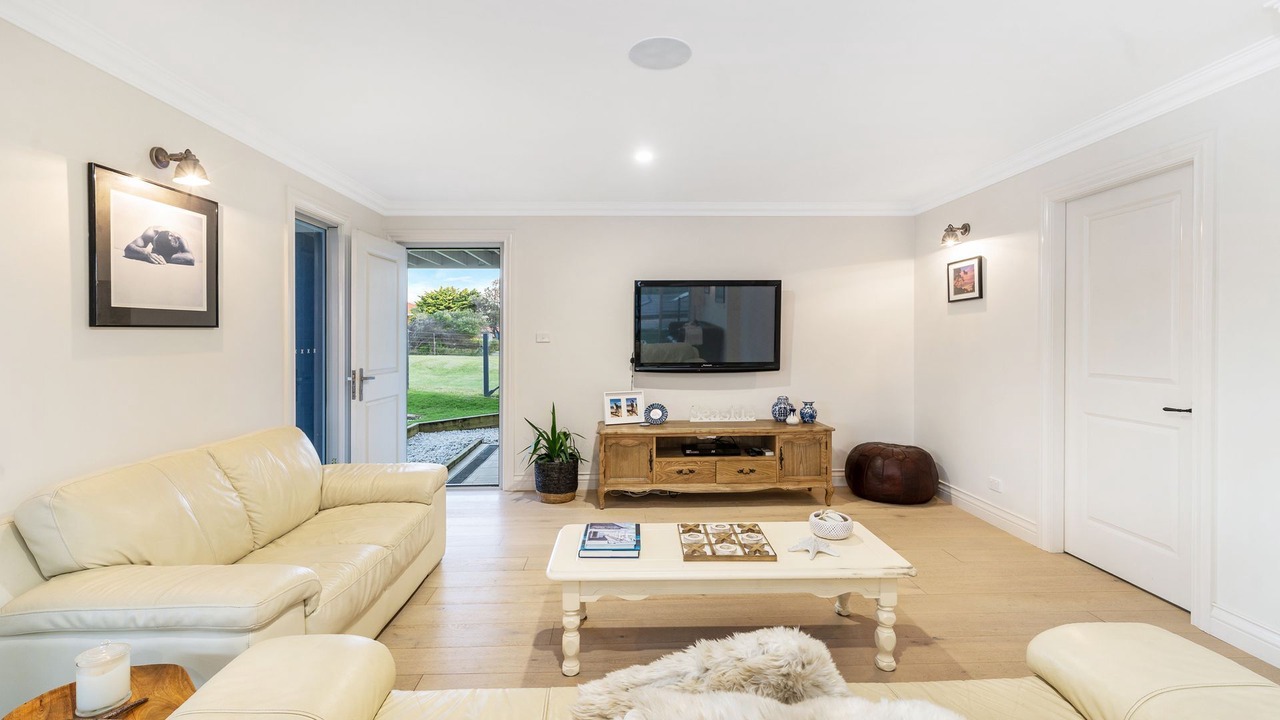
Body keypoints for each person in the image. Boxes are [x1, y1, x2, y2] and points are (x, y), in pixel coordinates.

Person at [123, 226, 196, 265]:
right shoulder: (151, 233)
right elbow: (128, 248)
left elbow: (190, 258)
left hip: (171, 253)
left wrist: (164, 257)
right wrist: (146, 254)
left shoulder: (179, 239)